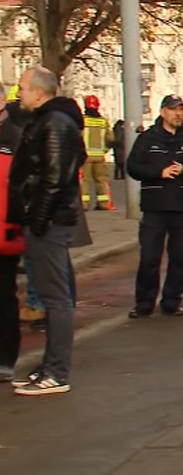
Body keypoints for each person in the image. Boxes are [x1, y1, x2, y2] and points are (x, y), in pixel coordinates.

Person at [9, 66, 85, 395]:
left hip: (50, 223)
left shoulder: (55, 123)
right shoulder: (48, 120)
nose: (18, 92)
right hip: (45, 221)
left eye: (23, 87)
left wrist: (37, 220)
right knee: (53, 297)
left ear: (40, 92)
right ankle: (50, 366)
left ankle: (57, 371)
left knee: (56, 299)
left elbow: (54, 179)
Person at [126, 95, 183, 318]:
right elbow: (133, 167)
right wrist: (158, 173)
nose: (178, 114)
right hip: (155, 208)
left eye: (181, 109)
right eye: (173, 110)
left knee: (179, 257)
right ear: (163, 112)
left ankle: (172, 301)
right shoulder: (148, 138)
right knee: (150, 257)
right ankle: (144, 303)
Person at [0, 88, 28, 382]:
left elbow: (26, 185)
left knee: (4, 296)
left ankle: (5, 358)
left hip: (6, 232)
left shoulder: (15, 136)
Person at [81, 94, 114, 210]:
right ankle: (104, 203)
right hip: (100, 156)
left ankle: (84, 204)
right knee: (101, 180)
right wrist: (105, 150)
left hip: (85, 157)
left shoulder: (82, 120)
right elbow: (110, 139)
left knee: (85, 180)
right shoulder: (103, 122)